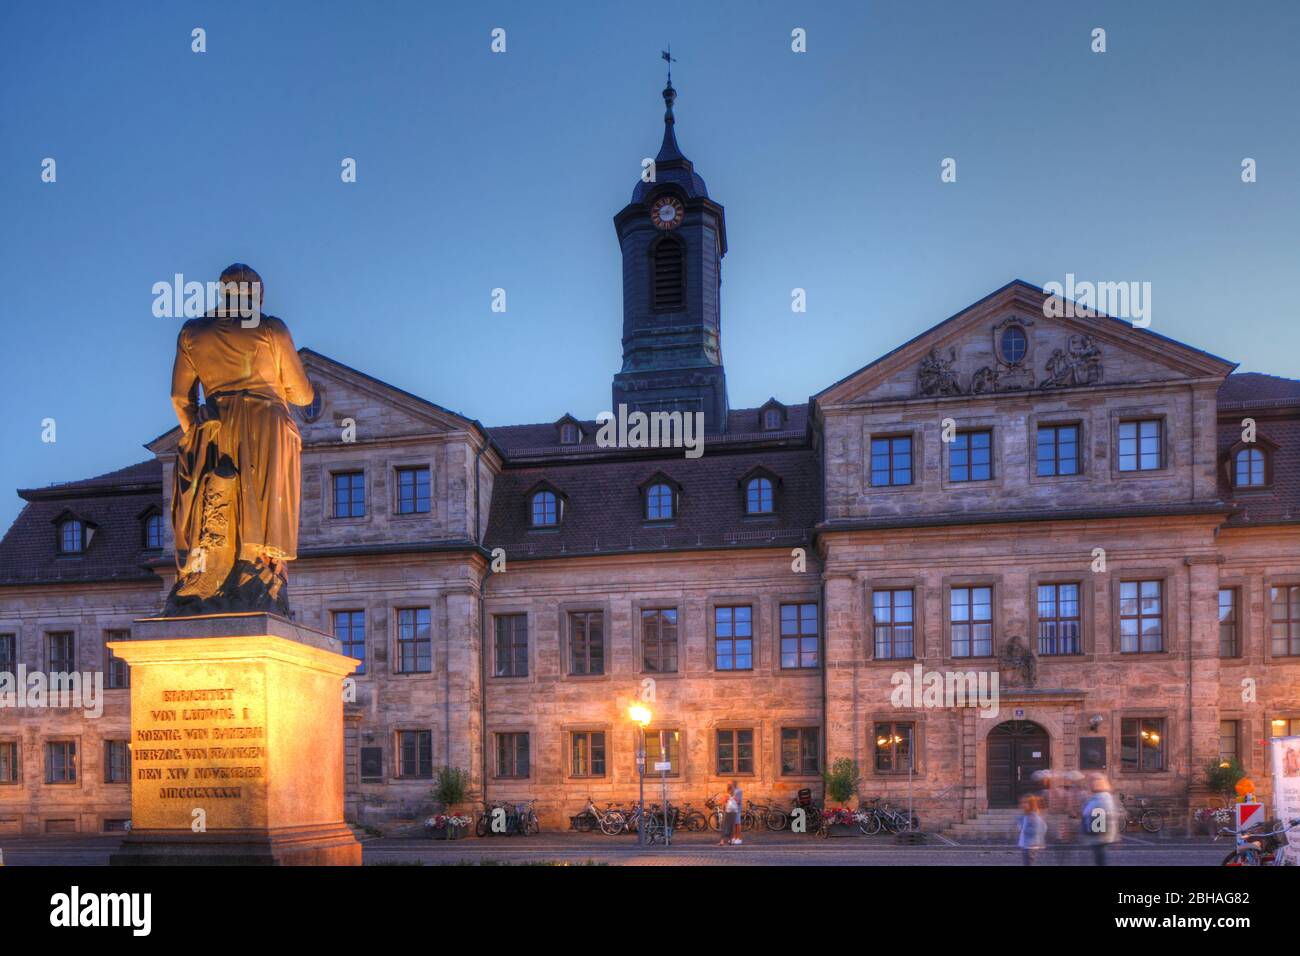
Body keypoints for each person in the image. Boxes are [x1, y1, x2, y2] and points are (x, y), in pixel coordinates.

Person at [1081, 773, 1121, 865]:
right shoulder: (1097, 796)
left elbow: (1106, 815)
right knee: (1099, 859)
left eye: (1091, 782)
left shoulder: (1102, 797)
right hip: (1097, 835)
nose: (1089, 784)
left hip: (1099, 836)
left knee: (1100, 860)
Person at [1017, 794, 1046, 865]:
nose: (1023, 804)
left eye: (1025, 802)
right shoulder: (1025, 816)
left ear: (1031, 804)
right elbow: (1021, 827)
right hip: (1025, 845)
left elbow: (1043, 828)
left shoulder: (1034, 817)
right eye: (1022, 802)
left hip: (1030, 847)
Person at [731, 779, 744, 845]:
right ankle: (734, 837)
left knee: (737, 824)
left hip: (737, 809)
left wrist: (732, 798)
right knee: (734, 824)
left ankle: (738, 838)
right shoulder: (733, 791)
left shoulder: (738, 791)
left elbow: (738, 801)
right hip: (733, 810)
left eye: (731, 783)